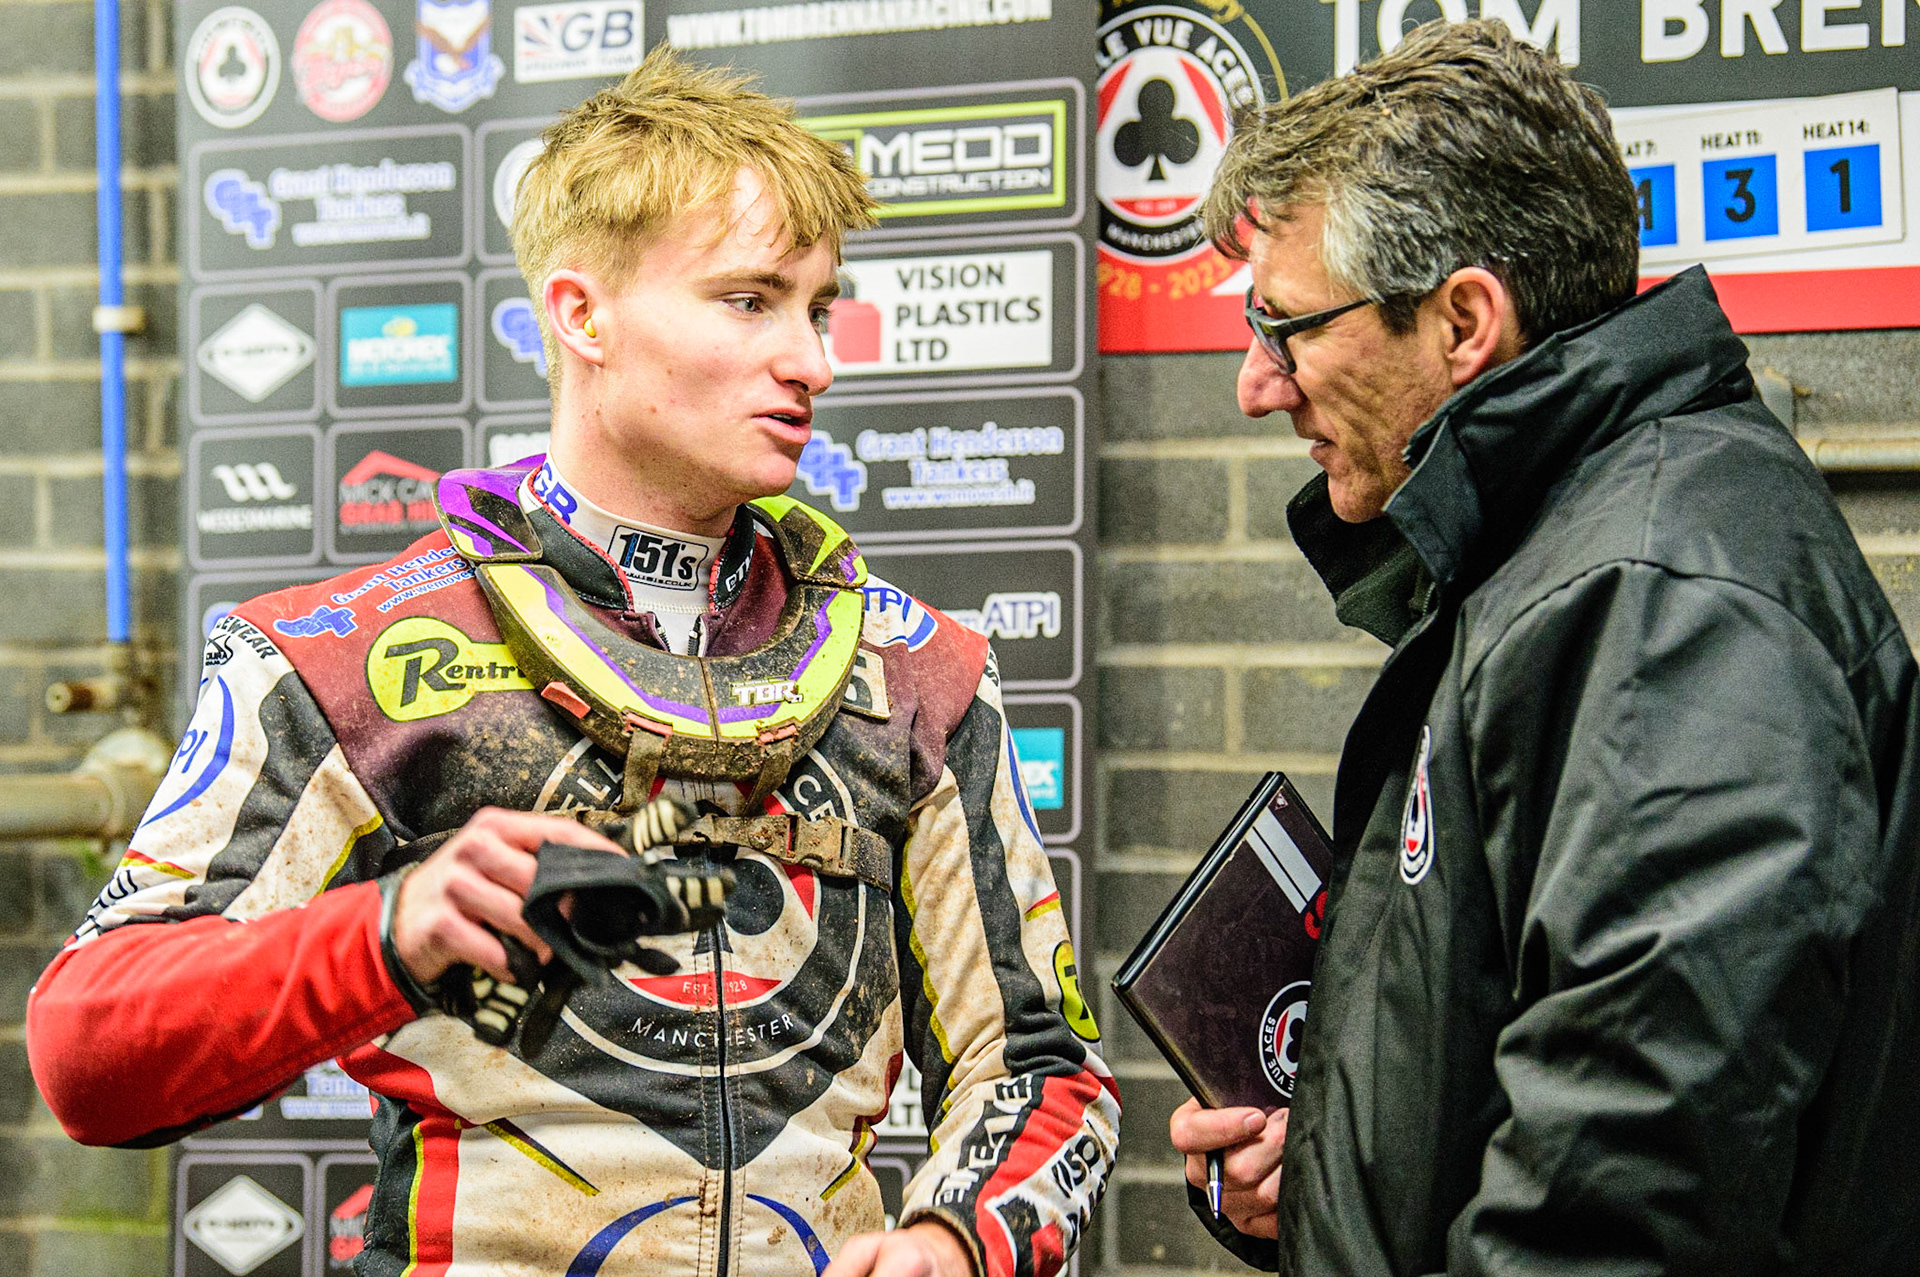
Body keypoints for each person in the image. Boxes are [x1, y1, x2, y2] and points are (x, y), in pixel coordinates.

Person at [28, 48, 1117, 1277]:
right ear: (580, 313)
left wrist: (958, 1240)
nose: (814, 359)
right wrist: (389, 929)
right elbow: (87, 1052)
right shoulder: (344, 659)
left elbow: (1041, 1066)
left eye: (818, 305)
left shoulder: (918, 672)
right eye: (751, 300)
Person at [1168, 19, 1920, 1275]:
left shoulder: (1658, 601)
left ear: (1464, 322)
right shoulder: (1558, 547)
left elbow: (1626, 1194)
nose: (1258, 382)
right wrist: (1338, 1171)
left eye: (1286, 326)